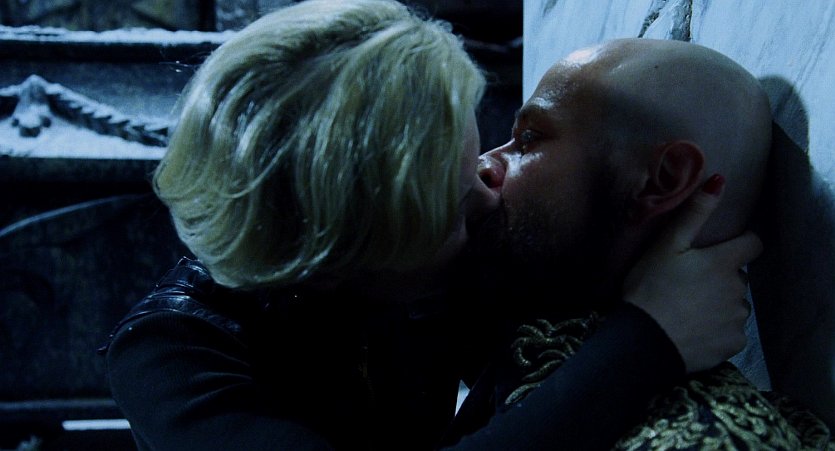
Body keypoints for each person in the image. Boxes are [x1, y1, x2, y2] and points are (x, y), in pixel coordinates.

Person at [101, 3, 760, 450]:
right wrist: (650, 338)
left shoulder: (415, 268)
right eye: (454, 208)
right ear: (354, 248)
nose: (487, 182)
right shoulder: (171, 355)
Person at [443, 38, 833, 449]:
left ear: (663, 180)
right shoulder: (498, 329)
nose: (483, 165)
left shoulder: (701, 439)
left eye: (528, 139)